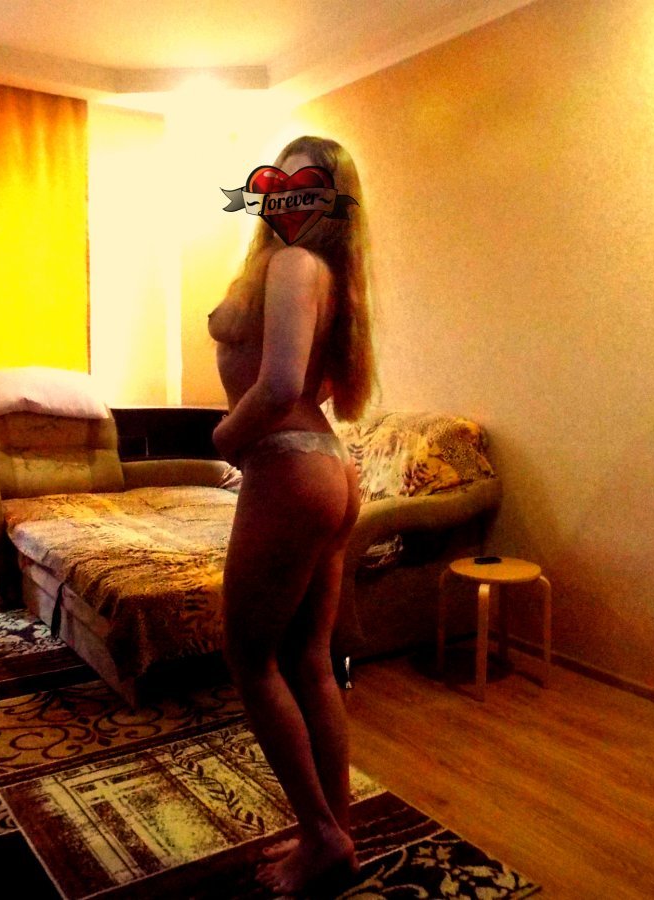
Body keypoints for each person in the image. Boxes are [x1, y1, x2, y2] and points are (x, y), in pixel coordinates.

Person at [208, 135, 376, 895]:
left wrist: (225, 439)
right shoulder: (328, 276)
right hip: (329, 467)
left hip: (289, 466)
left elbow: (279, 385)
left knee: (250, 660)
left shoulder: (293, 265)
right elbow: (317, 385)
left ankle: (321, 834)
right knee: (309, 657)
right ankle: (333, 835)